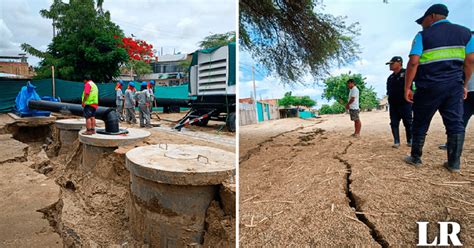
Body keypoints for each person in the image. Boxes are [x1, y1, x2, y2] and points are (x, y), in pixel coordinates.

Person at [403, 4, 474, 173]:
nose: (422, 25)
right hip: (454, 86)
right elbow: (470, 61)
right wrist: (464, 85)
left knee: (420, 121)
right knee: (455, 123)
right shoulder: (466, 33)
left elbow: (413, 62)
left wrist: (407, 87)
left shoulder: (422, 36)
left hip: (428, 86)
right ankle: (454, 163)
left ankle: (415, 157)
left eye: (423, 21)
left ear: (433, 16)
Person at [439, 72, 474, 149]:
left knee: (460, 120)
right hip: (469, 90)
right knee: (460, 120)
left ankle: (451, 145)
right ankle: (451, 145)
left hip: (469, 90)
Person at [385, 56, 413, 148]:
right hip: (393, 104)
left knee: (408, 122)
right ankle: (396, 141)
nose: (390, 66)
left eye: (392, 63)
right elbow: (389, 92)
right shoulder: (390, 78)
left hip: (405, 103)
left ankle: (410, 140)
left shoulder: (407, 73)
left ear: (399, 63)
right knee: (394, 123)